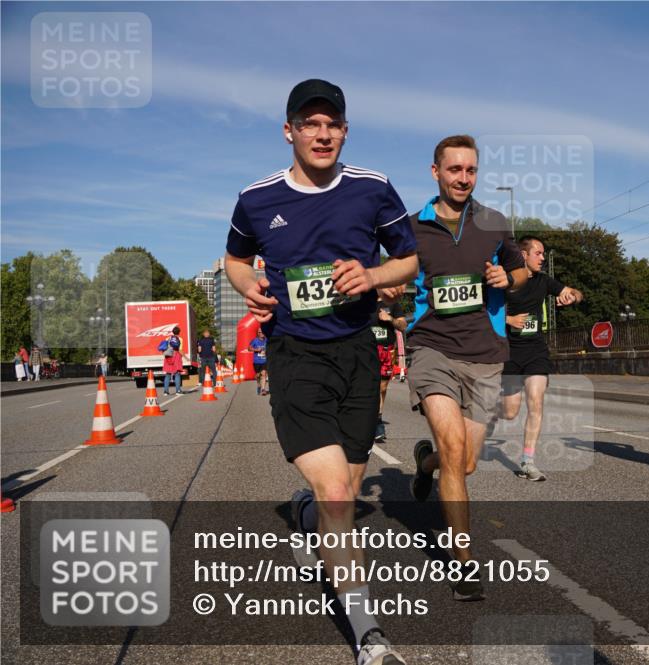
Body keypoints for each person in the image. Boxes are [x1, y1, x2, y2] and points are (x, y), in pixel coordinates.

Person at [224, 79, 417, 665]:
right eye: (310, 123)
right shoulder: (256, 199)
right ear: (290, 131)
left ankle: (304, 514)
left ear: (345, 131)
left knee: (346, 492)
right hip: (295, 356)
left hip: (358, 352)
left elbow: (409, 258)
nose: (322, 133)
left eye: (332, 123)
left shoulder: (373, 188)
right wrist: (249, 285)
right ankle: (369, 634)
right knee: (337, 492)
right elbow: (234, 258)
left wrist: (374, 276)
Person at [407, 134, 529, 600]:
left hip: (484, 354)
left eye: (471, 170)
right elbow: (396, 272)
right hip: (431, 347)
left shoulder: (494, 222)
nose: (463, 177)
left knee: (466, 462)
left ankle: (425, 464)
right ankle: (464, 564)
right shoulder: (412, 227)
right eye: (454, 169)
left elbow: (519, 271)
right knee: (455, 445)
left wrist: (506, 276)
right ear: (435, 172)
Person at [497, 236, 583, 481]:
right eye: (538, 253)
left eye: (543, 254)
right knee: (510, 412)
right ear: (523, 255)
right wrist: (508, 320)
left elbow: (577, 293)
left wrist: (571, 297)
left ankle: (527, 461)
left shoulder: (544, 281)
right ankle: (491, 410)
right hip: (510, 352)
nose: (543, 258)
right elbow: (484, 310)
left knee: (536, 402)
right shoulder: (506, 281)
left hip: (535, 350)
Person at [371, 298, 407, 442]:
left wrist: (389, 318)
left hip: (386, 350)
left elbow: (403, 325)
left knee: (382, 387)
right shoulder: (364, 302)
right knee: (366, 385)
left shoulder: (392, 304)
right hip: (367, 350)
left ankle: (377, 421)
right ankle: (366, 419)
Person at [161, 326, 184, 395]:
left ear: (173, 332)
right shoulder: (180, 339)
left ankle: (166, 391)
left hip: (168, 356)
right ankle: (178, 390)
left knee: (168, 374)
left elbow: (164, 347)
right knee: (177, 374)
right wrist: (183, 356)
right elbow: (180, 349)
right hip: (176, 356)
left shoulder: (167, 338)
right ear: (179, 332)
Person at [248, 329, 269, 396]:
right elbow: (249, 348)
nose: (261, 333)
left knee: (264, 373)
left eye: (262, 332)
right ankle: (259, 385)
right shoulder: (255, 340)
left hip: (264, 360)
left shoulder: (267, 340)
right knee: (258, 376)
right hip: (256, 361)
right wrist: (256, 349)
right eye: (259, 332)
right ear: (258, 333)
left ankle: (263, 389)